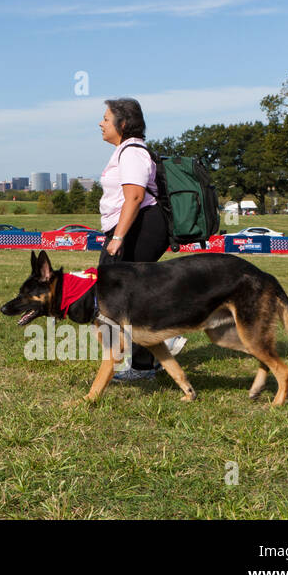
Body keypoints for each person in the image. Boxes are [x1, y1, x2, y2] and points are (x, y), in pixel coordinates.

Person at [97, 98, 185, 381]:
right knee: (130, 295)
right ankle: (146, 361)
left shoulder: (132, 152)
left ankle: (164, 338)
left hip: (141, 226)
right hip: (135, 226)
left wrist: (118, 237)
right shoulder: (125, 151)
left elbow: (134, 196)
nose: (101, 123)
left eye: (106, 119)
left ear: (123, 124)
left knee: (116, 290)